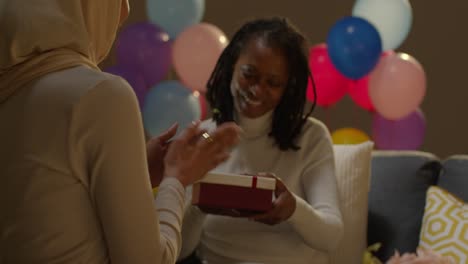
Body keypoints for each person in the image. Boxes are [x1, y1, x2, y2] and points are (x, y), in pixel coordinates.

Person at [0, 0, 240, 263]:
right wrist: (177, 179)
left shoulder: (13, 90)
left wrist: (136, 175)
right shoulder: (99, 96)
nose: (122, 14)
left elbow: (50, 212)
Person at [178, 17, 344, 264]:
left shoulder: (311, 136)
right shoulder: (203, 138)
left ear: (287, 86)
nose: (257, 90)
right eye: (249, 75)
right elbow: (178, 251)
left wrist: (293, 210)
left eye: (273, 83)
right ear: (232, 65)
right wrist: (197, 206)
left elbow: (331, 235)